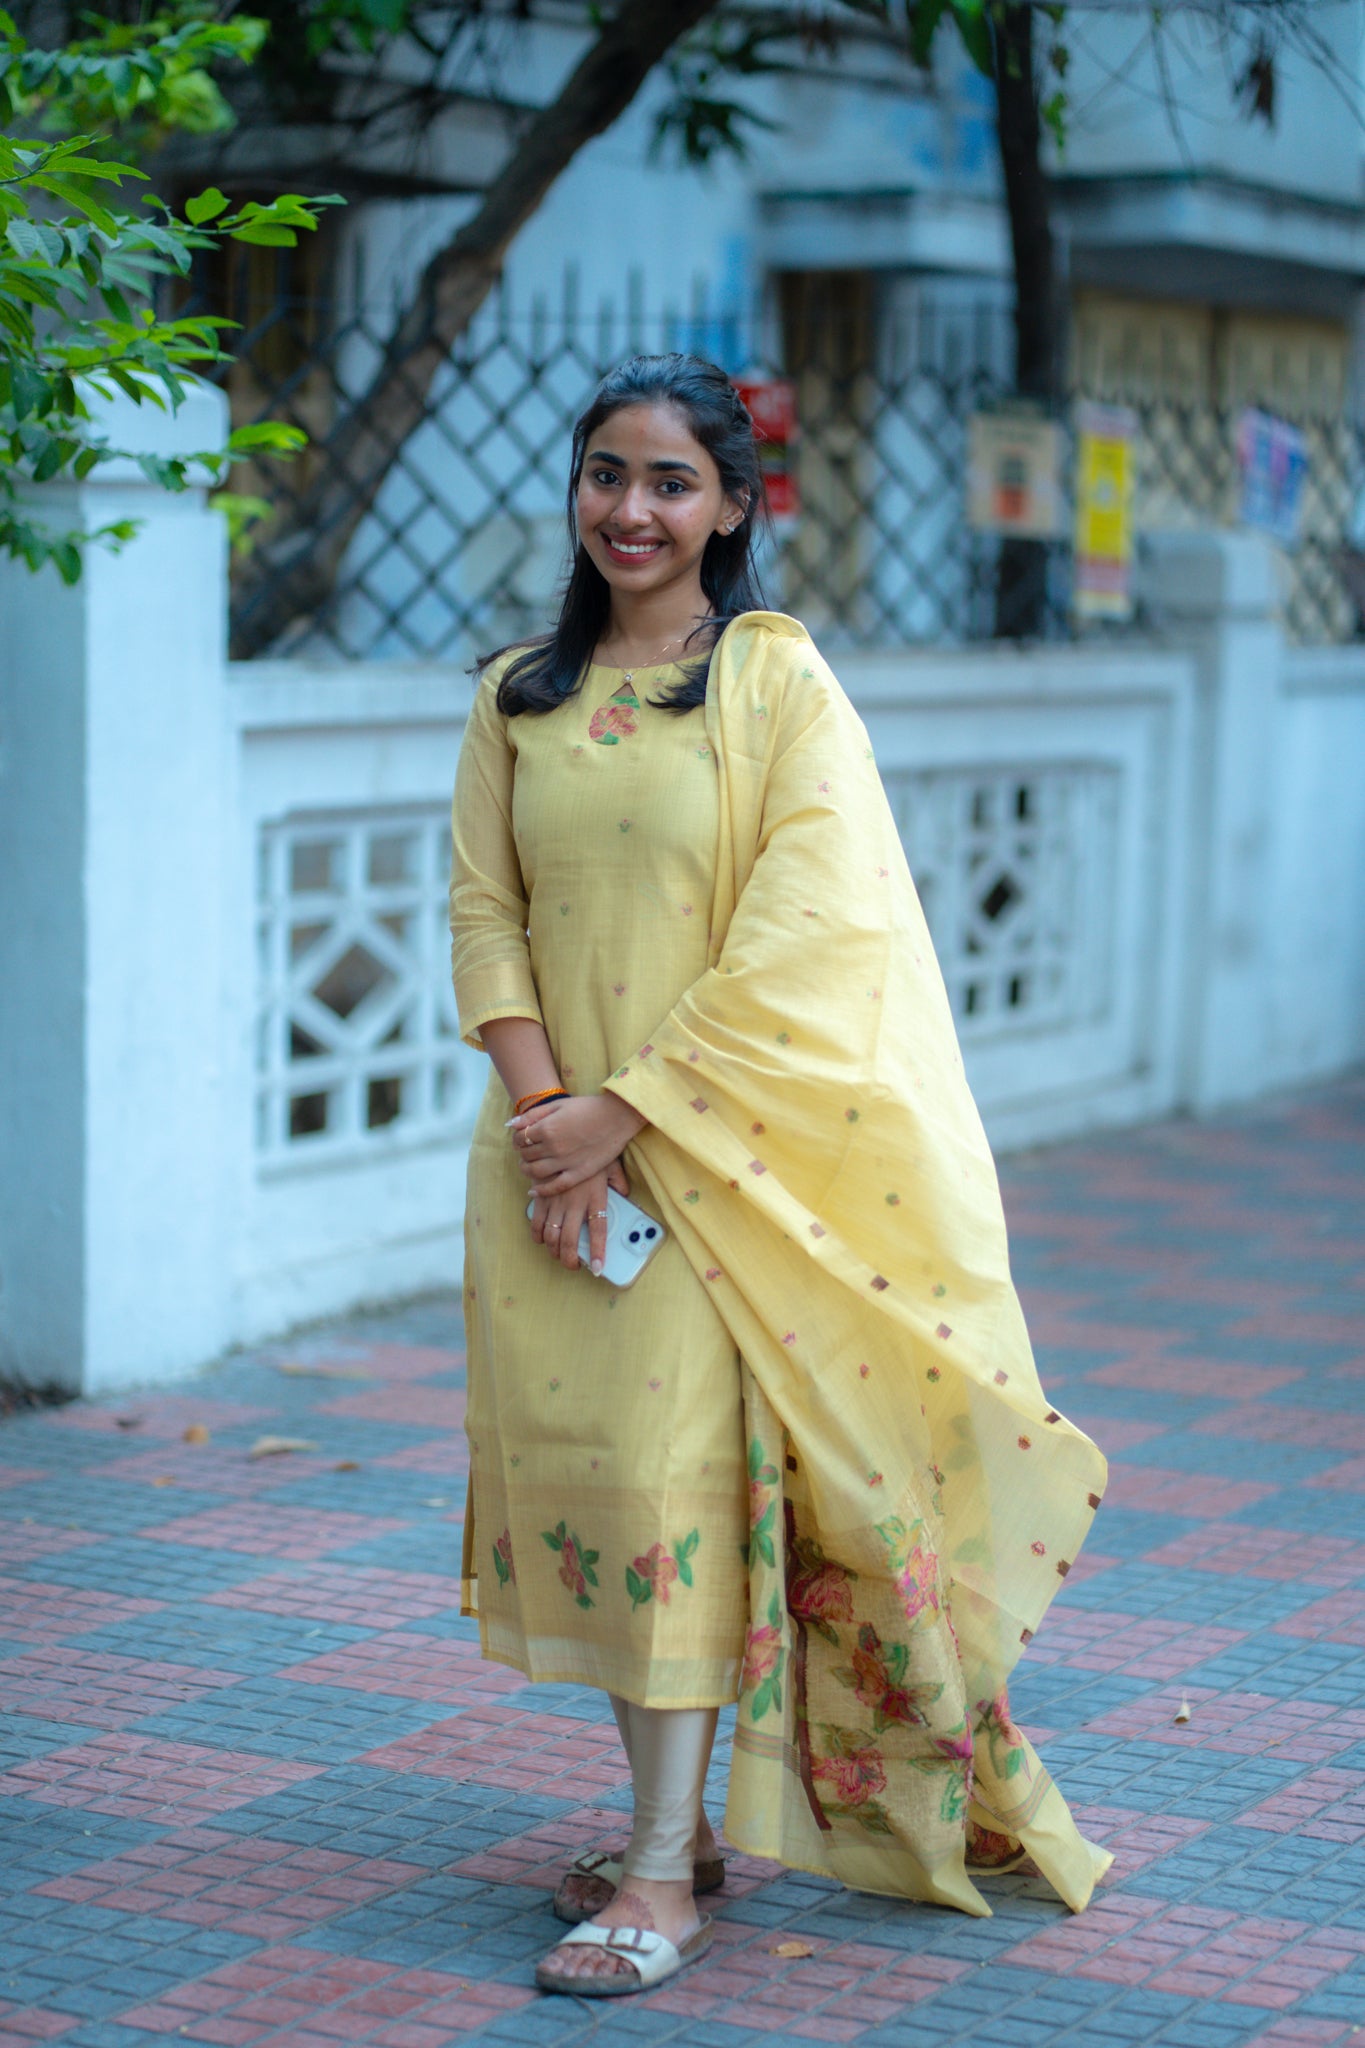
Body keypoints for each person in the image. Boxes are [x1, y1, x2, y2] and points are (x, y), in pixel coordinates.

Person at [448, 353, 1111, 1999]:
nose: (631, 508)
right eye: (607, 472)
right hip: (546, 1174)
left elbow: (813, 936)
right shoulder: (517, 690)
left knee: (677, 1492)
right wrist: (547, 1125)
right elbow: (483, 913)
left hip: (714, 1166)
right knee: (603, 1483)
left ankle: (662, 1875)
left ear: (732, 509)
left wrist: (622, 1117)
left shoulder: (773, 683)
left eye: (671, 482)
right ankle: (668, 1818)